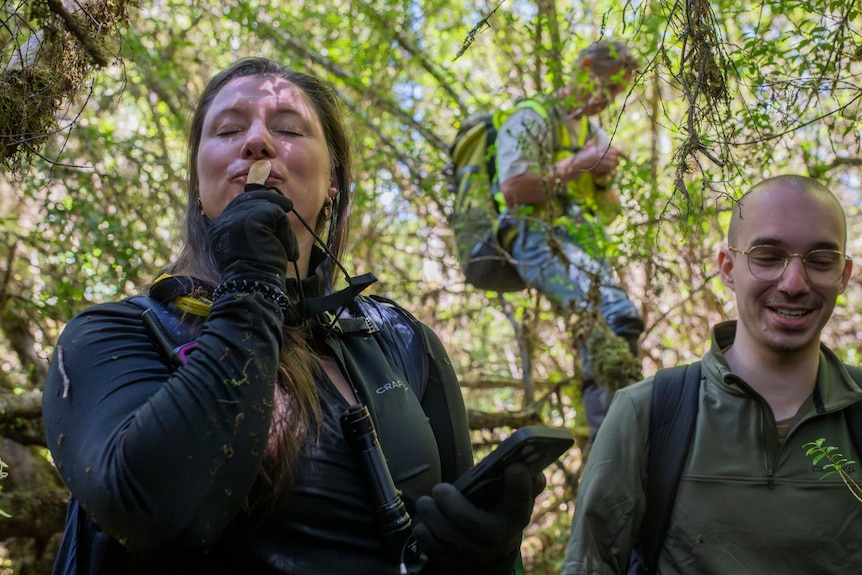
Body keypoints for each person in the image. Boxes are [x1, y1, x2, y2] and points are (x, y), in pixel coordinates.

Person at [42, 57, 544, 575]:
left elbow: (455, 526)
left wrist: (492, 552)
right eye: (228, 130)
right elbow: (154, 514)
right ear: (198, 182)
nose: (257, 142)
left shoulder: (402, 340)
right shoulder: (115, 335)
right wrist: (251, 281)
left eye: (288, 129)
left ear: (333, 182)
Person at [561, 175, 862, 574]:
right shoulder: (648, 413)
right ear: (728, 267)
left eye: (820, 261)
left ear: (843, 274)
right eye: (767, 257)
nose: (794, 283)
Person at [495, 39, 645, 441]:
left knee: (618, 321)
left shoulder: (594, 133)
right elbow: (512, 189)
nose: (608, 101)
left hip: (582, 247)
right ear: (583, 68)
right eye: (607, 87)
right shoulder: (532, 117)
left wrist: (603, 178)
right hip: (534, 239)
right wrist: (580, 163)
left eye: (616, 93)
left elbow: (610, 212)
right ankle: (615, 441)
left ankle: (619, 437)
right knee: (611, 315)